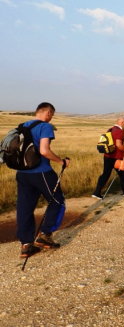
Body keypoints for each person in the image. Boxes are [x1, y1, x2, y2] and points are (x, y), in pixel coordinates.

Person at [16, 102, 71, 258]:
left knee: (25, 207)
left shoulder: (22, 126)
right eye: (52, 114)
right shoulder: (45, 126)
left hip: (22, 173)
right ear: (47, 112)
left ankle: (26, 245)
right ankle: (44, 235)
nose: (51, 117)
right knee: (57, 201)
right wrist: (61, 162)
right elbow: (44, 150)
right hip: (41, 172)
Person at [92, 117, 124, 199]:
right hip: (117, 157)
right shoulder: (119, 131)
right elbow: (118, 144)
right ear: (122, 122)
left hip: (107, 156)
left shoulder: (110, 129)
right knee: (123, 174)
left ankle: (97, 192)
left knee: (105, 174)